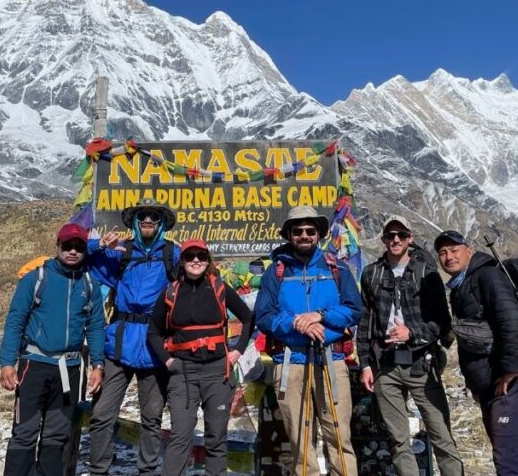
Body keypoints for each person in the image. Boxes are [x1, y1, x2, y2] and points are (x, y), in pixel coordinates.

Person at [253, 205, 361, 476]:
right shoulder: (275, 272)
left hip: (331, 360)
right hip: (291, 362)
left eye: (310, 230)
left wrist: (320, 317)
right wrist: (296, 323)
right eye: (297, 230)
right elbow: (264, 316)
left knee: (339, 437)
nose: (304, 235)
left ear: (318, 234)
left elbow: (353, 310)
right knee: (301, 441)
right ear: (289, 234)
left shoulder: (337, 268)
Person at [357, 215, 463, 476]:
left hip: (422, 364)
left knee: (441, 434)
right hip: (385, 366)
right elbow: (364, 323)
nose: (396, 240)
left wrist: (411, 333)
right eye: (390, 235)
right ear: (383, 239)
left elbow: (441, 322)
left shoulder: (426, 273)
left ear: (410, 239)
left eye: (401, 235)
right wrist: (365, 364)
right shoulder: (371, 273)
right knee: (398, 440)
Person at [0, 223, 105, 476]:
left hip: (70, 370)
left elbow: (96, 327)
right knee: (24, 433)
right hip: (34, 366)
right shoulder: (36, 279)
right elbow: (15, 322)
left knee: (56, 437)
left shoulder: (90, 285)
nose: (72, 251)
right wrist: (7, 363)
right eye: (67, 246)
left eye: (78, 247)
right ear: (57, 246)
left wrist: (98, 365)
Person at [434, 230, 518, 476]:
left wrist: (510, 369)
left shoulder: (487, 276)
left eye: (454, 249)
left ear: (469, 251)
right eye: (442, 252)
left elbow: (511, 319)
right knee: (517, 457)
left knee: (508, 463)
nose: (449, 256)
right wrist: (478, 386)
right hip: (492, 385)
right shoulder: (462, 285)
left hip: (511, 382)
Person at [87, 199, 180, 476]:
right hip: (118, 343)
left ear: (161, 223)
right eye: (142, 216)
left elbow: (197, 272)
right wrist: (99, 246)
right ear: (136, 222)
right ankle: (98, 469)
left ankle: (147, 471)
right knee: (102, 414)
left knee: (151, 417)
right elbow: (82, 260)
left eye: (153, 216)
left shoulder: (172, 253)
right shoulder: (121, 251)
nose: (147, 220)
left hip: (154, 345)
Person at [148, 238, 254, 476]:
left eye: (201, 256)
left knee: (216, 438)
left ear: (208, 260)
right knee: (180, 437)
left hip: (218, 372)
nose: (195, 260)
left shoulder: (219, 288)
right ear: (182, 260)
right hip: (183, 373)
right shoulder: (170, 292)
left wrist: (237, 351)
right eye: (189, 256)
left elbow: (248, 318)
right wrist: (168, 361)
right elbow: (153, 332)